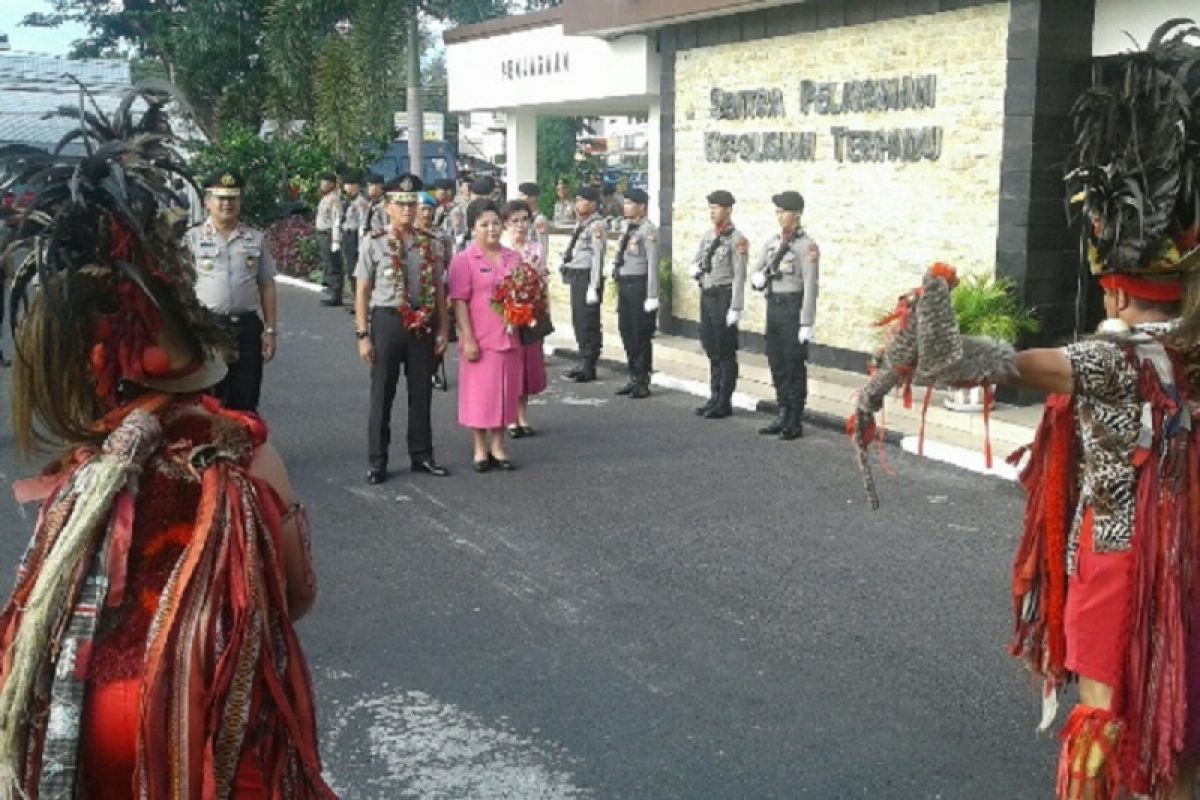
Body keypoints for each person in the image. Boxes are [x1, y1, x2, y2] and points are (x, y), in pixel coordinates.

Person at [848, 20, 1200, 800]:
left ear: (1112, 276)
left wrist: (932, 300)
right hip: (1182, 550)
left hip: (1117, 551)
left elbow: (969, 363)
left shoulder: (1107, 359)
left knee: (1108, 715)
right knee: (1175, 712)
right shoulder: (1185, 353)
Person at [0, 87, 334, 798]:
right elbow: (294, 595)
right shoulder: (241, 450)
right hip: (205, 732)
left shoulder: (80, 471)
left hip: (80, 722)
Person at [354, 174, 451, 483]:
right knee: (382, 392)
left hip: (422, 322)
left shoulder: (431, 243)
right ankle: (377, 460)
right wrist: (362, 334)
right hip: (387, 321)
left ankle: (422, 455)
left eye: (412, 203)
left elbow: (438, 288)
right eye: (401, 204)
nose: (407, 210)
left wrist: (443, 330)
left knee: (421, 391)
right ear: (388, 206)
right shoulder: (375, 241)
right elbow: (362, 290)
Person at [186, 170, 279, 413]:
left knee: (244, 398)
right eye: (221, 198)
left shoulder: (255, 238)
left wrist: (270, 330)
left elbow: (267, 284)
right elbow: (180, 286)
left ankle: (243, 448)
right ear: (208, 202)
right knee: (207, 400)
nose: (227, 204)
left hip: (246, 329)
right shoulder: (192, 239)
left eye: (232, 198)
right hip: (208, 328)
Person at [449, 198, 522, 471]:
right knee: (480, 394)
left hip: (510, 335)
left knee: (506, 391)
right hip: (480, 337)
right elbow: (459, 301)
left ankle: (499, 446)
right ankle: (480, 448)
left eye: (495, 223)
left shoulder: (513, 257)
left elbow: (523, 291)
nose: (491, 229)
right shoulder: (464, 260)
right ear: (472, 228)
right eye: (484, 224)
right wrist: (467, 338)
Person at [749, 190, 819, 440]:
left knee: (793, 367)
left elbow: (811, 285)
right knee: (776, 363)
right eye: (777, 212)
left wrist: (806, 321)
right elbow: (758, 270)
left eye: (784, 211)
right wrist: (756, 280)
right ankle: (782, 412)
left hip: (793, 308)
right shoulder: (773, 243)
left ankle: (794, 420)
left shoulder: (806, 246)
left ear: (797, 214)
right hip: (774, 306)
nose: (779, 216)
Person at [690, 189, 748, 419]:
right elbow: (698, 261)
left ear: (728, 210)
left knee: (725, 351)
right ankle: (714, 396)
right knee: (711, 347)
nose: (712, 212)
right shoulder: (707, 236)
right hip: (707, 295)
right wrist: (695, 270)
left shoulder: (737, 240)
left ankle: (724, 400)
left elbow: (739, 276)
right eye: (710, 208)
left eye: (716, 208)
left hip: (724, 297)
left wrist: (736, 306)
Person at [500, 199, 547, 436]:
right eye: (514, 221)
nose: (520, 225)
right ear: (505, 224)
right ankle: (508, 418)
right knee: (510, 366)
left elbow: (541, 279)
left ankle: (522, 416)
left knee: (527, 367)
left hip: (530, 315)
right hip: (506, 317)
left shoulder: (535, 249)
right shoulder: (500, 249)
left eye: (524, 220)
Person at [611, 188, 659, 399]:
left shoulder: (648, 231)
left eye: (630, 203)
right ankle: (633, 376)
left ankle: (642, 380)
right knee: (626, 330)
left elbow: (653, 264)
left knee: (641, 334)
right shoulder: (626, 227)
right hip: (625, 284)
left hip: (640, 285)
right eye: (625, 202)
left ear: (642, 207)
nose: (626, 206)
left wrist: (652, 294)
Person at [559, 186, 608, 382]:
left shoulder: (597, 225)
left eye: (583, 200)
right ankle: (582, 360)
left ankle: (589, 364)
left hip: (588, 277)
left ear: (593, 203)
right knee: (578, 320)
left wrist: (594, 286)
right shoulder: (581, 224)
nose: (578, 204)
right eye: (577, 200)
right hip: (577, 275)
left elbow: (598, 257)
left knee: (589, 322)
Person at [418, 191, 453, 392]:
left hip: (437, 291)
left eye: (429, 210)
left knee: (438, 333)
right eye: (422, 209)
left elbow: (451, 265)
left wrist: (450, 294)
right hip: (415, 293)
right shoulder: (407, 234)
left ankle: (433, 370)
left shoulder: (441, 237)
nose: (426, 214)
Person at [315, 172, 343, 306]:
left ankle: (335, 295)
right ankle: (331, 290)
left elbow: (336, 220)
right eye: (322, 182)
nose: (322, 185)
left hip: (329, 234)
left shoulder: (334, 199)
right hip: (322, 234)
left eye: (325, 182)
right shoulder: (326, 197)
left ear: (332, 184)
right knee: (327, 263)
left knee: (333, 264)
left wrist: (336, 240)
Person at [341, 170, 369, 304]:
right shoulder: (348, 202)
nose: (346, 189)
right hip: (348, 236)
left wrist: (361, 242)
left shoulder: (361, 203)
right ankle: (355, 299)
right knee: (350, 268)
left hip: (356, 237)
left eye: (349, 186)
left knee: (356, 269)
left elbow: (363, 222)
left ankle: (359, 300)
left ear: (356, 186)